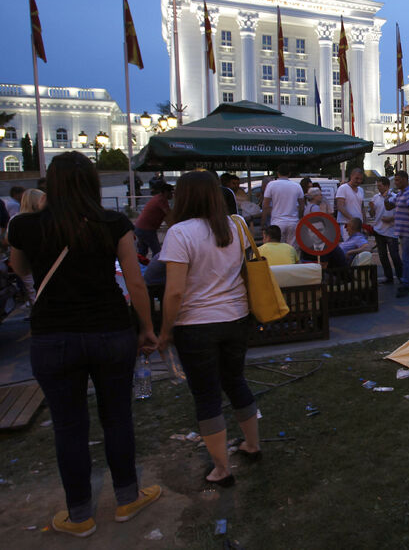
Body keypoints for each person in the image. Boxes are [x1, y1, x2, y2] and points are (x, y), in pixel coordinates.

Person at [7, 151, 160, 537]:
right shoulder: (112, 222)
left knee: (69, 426)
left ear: (51, 185)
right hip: (109, 331)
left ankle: (79, 516)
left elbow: (20, 269)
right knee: (117, 417)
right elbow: (135, 281)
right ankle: (127, 497)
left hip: (53, 336)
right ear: (92, 183)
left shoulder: (25, 225)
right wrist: (146, 328)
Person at [158, 171, 261, 489]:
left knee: (206, 395)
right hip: (236, 318)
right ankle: (253, 445)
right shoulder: (234, 227)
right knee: (235, 380)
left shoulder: (180, 233)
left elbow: (174, 292)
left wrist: (165, 331)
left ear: (185, 197)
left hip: (196, 324)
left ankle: (221, 468)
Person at [261, 164, 304, 245]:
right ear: (289, 173)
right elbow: (302, 206)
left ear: (278, 173)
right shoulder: (297, 186)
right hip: (293, 222)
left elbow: (265, 205)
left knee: (277, 249)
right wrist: (300, 217)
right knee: (293, 250)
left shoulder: (271, 185)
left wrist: (263, 222)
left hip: (277, 223)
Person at [371, 176, 401, 284]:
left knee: (394, 255)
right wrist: (371, 209)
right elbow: (373, 214)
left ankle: (400, 275)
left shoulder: (394, 197)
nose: (378, 188)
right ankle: (388, 276)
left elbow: (400, 212)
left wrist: (391, 218)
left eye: (380, 186)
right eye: (377, 186)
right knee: (382, 255)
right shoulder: (375, 198)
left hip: (391, 230)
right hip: (378, 230)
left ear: (387, 186)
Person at [133, 180, 173, 257]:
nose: (172, 195)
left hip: (141, 227)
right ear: (165, 192)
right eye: (170, 192)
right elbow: (169, 215)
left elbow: (167, 216)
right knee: (157, 252)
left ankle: (141, 267)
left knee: (143, 251)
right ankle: (154, 268)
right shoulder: (161, 200)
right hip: (147, 229)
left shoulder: (158, 198)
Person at [336, 168, 365, 240]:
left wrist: (364, 223)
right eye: (356, 178)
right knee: (350, 248)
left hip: (358, 225)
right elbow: (340, 207)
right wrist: (352, 219)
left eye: (361, 179)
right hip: (347, 225)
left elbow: (362, 207)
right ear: (351, 176)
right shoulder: (343, 188)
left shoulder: (361, 190)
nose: (358, 181)